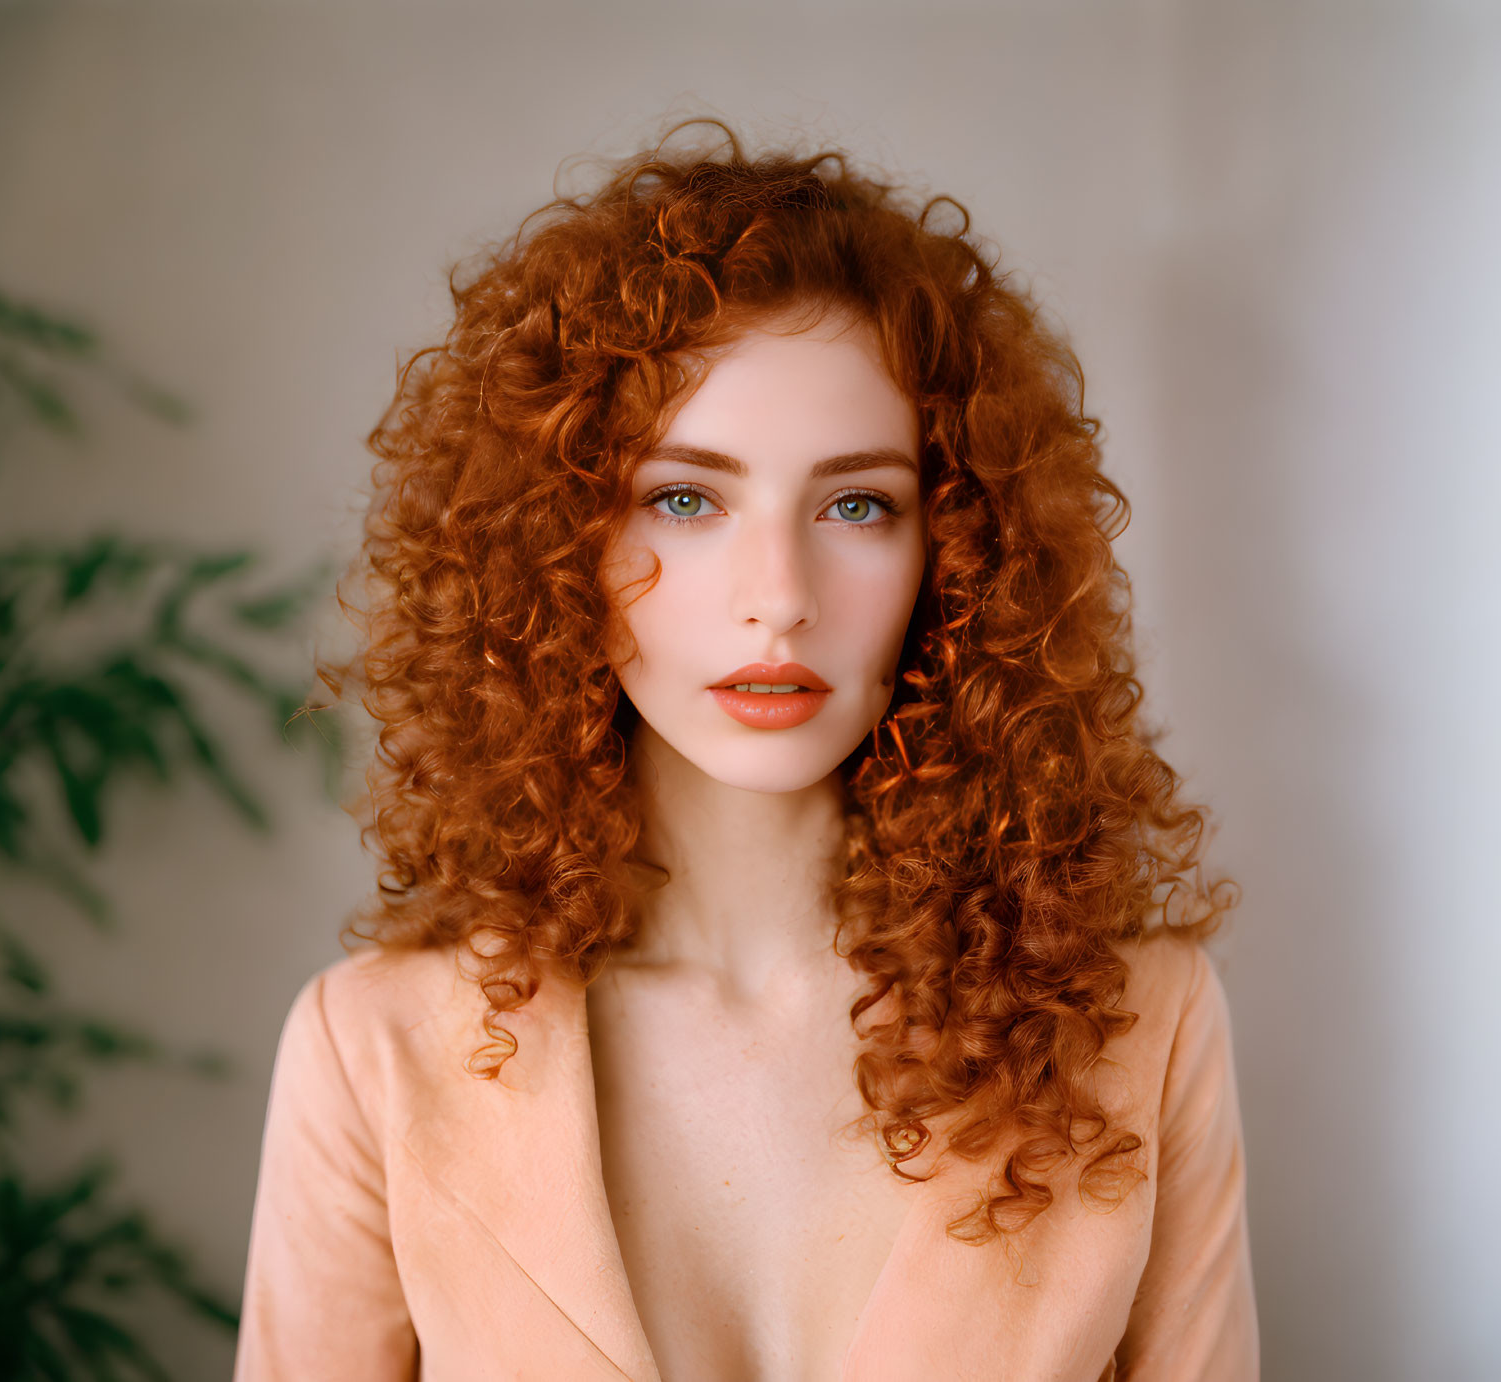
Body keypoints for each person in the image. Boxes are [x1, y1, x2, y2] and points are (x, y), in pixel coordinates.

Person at [233, 125, 1258, 1382]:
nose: (777, 596)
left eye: (856, 504)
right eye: (684, 497)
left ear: (958, 554)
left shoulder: (1137, 1023)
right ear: (560, 543)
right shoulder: (378, 1049)